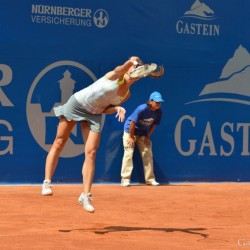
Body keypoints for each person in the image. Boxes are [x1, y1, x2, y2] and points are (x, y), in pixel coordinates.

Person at [41, 56, 151, 213]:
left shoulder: (126, 95)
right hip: (77, 105)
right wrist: (131, 62)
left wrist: (117, 109)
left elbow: (106, 108)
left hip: (95, 114)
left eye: (136, 71)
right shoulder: (115, 76)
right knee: (59, 142)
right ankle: (47, 182)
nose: (132, 71)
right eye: (132, 69)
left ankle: (85, 195)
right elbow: (121, 68)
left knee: (91, 153)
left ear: (138, 76)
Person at [120, 91, 164, 187]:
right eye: (157, 102)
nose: (159, 104)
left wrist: (147, 137)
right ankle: (125, 180)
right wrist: (131, 137)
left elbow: (154, 125)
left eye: (160, 102)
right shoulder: (142, 108)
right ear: (151, 101)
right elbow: (132, 123)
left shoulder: (159, 112)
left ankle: (150, 180)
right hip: (129, 131)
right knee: (129, 152)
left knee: (147, 153)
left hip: (142, 134)